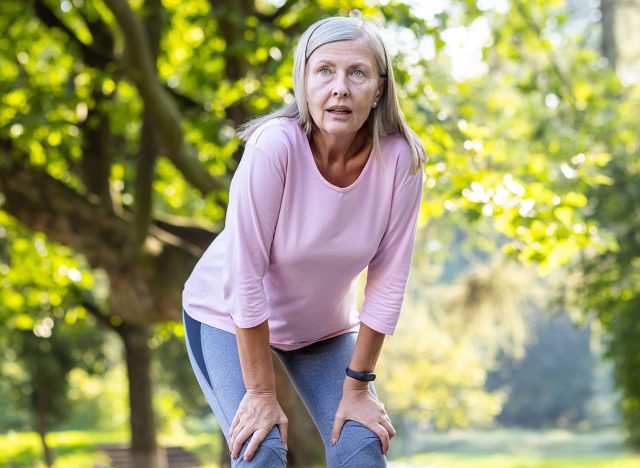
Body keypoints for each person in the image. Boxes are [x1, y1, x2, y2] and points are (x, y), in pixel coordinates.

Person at [182, 11, 426, 467]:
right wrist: (259, 393)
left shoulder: (401, 161)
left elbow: (388, 282)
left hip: (322, 329)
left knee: (362, 448)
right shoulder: (273, 146)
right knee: (261, 451)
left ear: (379, 88)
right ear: (304, 83)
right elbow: (245, 276)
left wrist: (358, 388)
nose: (340, 88)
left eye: (357, 73)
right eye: (325, 71)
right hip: (225, 314)